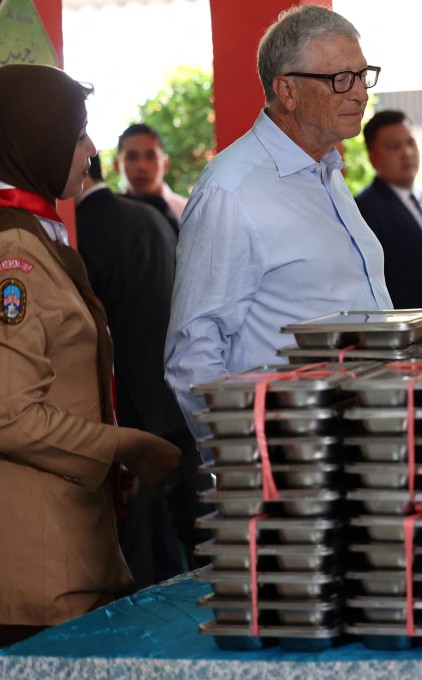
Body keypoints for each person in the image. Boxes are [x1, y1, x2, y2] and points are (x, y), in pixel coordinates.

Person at [0, 63, 181, 646]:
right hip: (37, 575)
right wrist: (124, 443)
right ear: (35, 138)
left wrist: (109, 459)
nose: (92, 149)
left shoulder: (37, 235)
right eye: (78, 133)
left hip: (78, 549)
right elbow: (10, 414)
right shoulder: (13, 255)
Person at [165, 5, 392, 443]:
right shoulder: (231, 191)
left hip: (361, 443)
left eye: (364, 76)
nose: (361, 94)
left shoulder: (326, 172)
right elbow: (192, 357)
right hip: (289, 464)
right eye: (340, 79)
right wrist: (244, 478)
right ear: (286, 90)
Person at [76, 157, 212, 588]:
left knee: (138, 565)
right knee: (196, 553)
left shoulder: (78, 231)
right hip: (180, 404)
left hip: (127, 424)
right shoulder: (152, 217)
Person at [356, 109, 422, 324]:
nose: (406, 153)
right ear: (373, 157)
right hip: (408, 334)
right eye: (394, 147)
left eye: (410, 143)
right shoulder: (364, 210)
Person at [114, 123, 189, 222]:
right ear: (116, 165)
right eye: (132, 157)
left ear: (165, 164)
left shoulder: (187, 214)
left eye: (150, 156)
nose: (142, 166)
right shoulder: (107, 216)